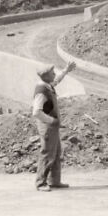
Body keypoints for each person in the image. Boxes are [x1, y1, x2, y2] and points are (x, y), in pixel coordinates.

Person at [32, 61, 76, 192]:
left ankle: (54, 181)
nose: (54, 74)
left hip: (52, 126)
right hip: (47, 126)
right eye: (52, 73)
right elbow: (36, 112)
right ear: (46, 76)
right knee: (47, 153)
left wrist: (66, 70)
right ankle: (41, 183)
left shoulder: (47, 85)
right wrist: (51, 121)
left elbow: (56, 80)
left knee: (56, 152)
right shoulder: (41, 90)